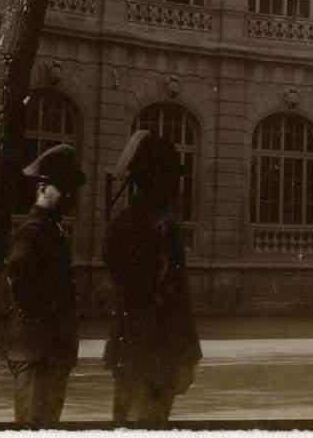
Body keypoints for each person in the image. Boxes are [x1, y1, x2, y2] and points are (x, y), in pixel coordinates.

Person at [103, 130, 201, 424]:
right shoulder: (165, 226)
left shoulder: (118, 224)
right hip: (159, 348)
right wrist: (187, 356)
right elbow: (172, 295)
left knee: (124, 421)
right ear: (160, 179)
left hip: (125, 344)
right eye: (171, 177)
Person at [0, 143, 86, 425]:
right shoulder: (33, 229)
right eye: (63, 188)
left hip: (48, 347)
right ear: (42, 188)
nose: (70, 196)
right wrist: (46, 319)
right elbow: (19, 277)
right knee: (32, 423)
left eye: (71, 189)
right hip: (36, 346)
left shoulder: (50, 227)